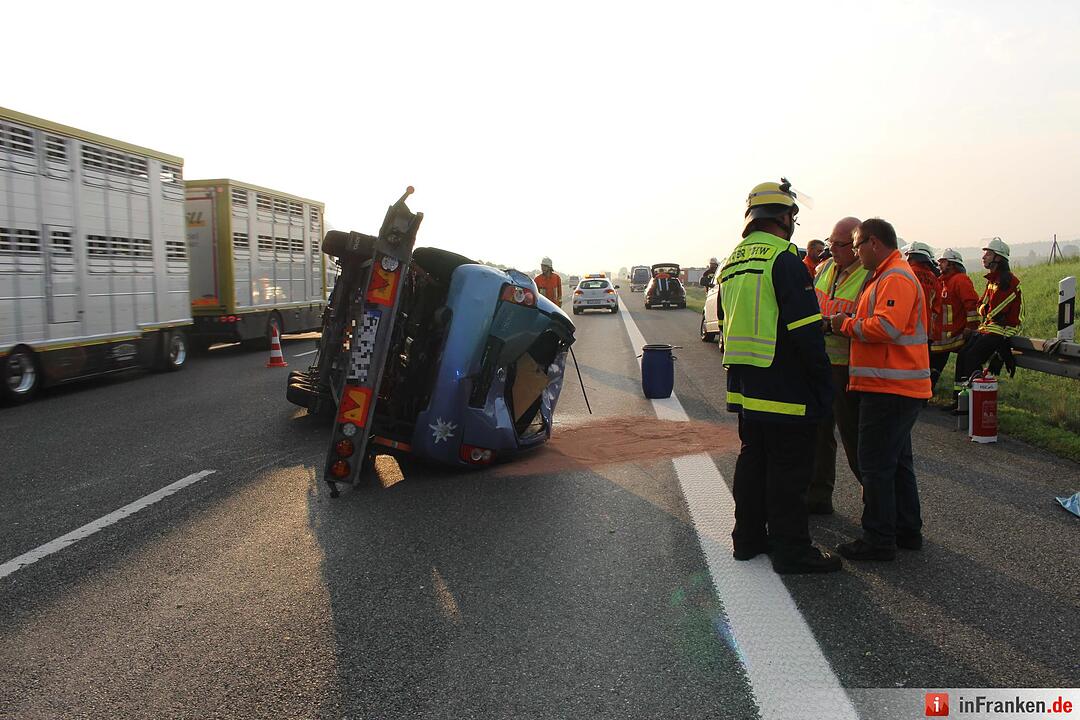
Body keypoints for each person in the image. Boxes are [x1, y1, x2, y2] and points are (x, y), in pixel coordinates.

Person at [721, 179, 840, 574]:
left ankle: (748, 539)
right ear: (787, 217)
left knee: (753, 461)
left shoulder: (732, 261)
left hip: (746, 384)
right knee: (790, 470)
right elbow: (806, 331)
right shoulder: (784, 259)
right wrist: (824, 386)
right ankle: (792, 550)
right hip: (786, 383)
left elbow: (723, 321)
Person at [829, 218, 931, 561]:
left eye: (857, 245)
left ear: (873, 243)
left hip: (890, 386)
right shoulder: (885, 275)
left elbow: (886, 327)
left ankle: (878, 539)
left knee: (875, 465)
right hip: (893, 384)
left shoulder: (895, 277)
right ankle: (906, 530)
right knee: (897, 462)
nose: (856, 253)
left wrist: (845, 325)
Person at [807, 217, 867, 515]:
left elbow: (865, 321)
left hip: (847, 367)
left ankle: (877, 509)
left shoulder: (868, 276)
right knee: (818, 434)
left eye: (840, 245)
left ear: (856, 247)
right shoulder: (826, 268)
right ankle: (818, 497)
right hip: (820, 363)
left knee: (854, 438)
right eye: (830, 243)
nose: (832, 250)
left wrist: (832, 325)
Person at [952, 238, 1023, 412]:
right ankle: (960, 400)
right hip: (988, 328)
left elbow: (993, 312)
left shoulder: (1008, 282)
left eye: (988, 254)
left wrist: (984, 309)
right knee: (963, 355)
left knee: (972, 359)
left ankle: (975, 404)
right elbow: (980, 305)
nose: (984, 257)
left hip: (1000, 331)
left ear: (998, 258)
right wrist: (984, 309)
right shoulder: (993, 280)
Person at [931, 248, 979, 394]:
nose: (939, 265)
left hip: (957, 335)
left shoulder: (960, 280)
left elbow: (971, 304)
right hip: (941, 337)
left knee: (960, 364)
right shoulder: (941, 282)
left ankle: (961, 398)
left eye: (943, 262)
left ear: (952, 264)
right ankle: (924, 396)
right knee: (932, 367)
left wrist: (970, 327)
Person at [903, 242, 944, 389]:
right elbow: (937, 306)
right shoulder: (934, 278)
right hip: (926, 330)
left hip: (906, 329)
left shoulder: (905, 273)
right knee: (922, 365)